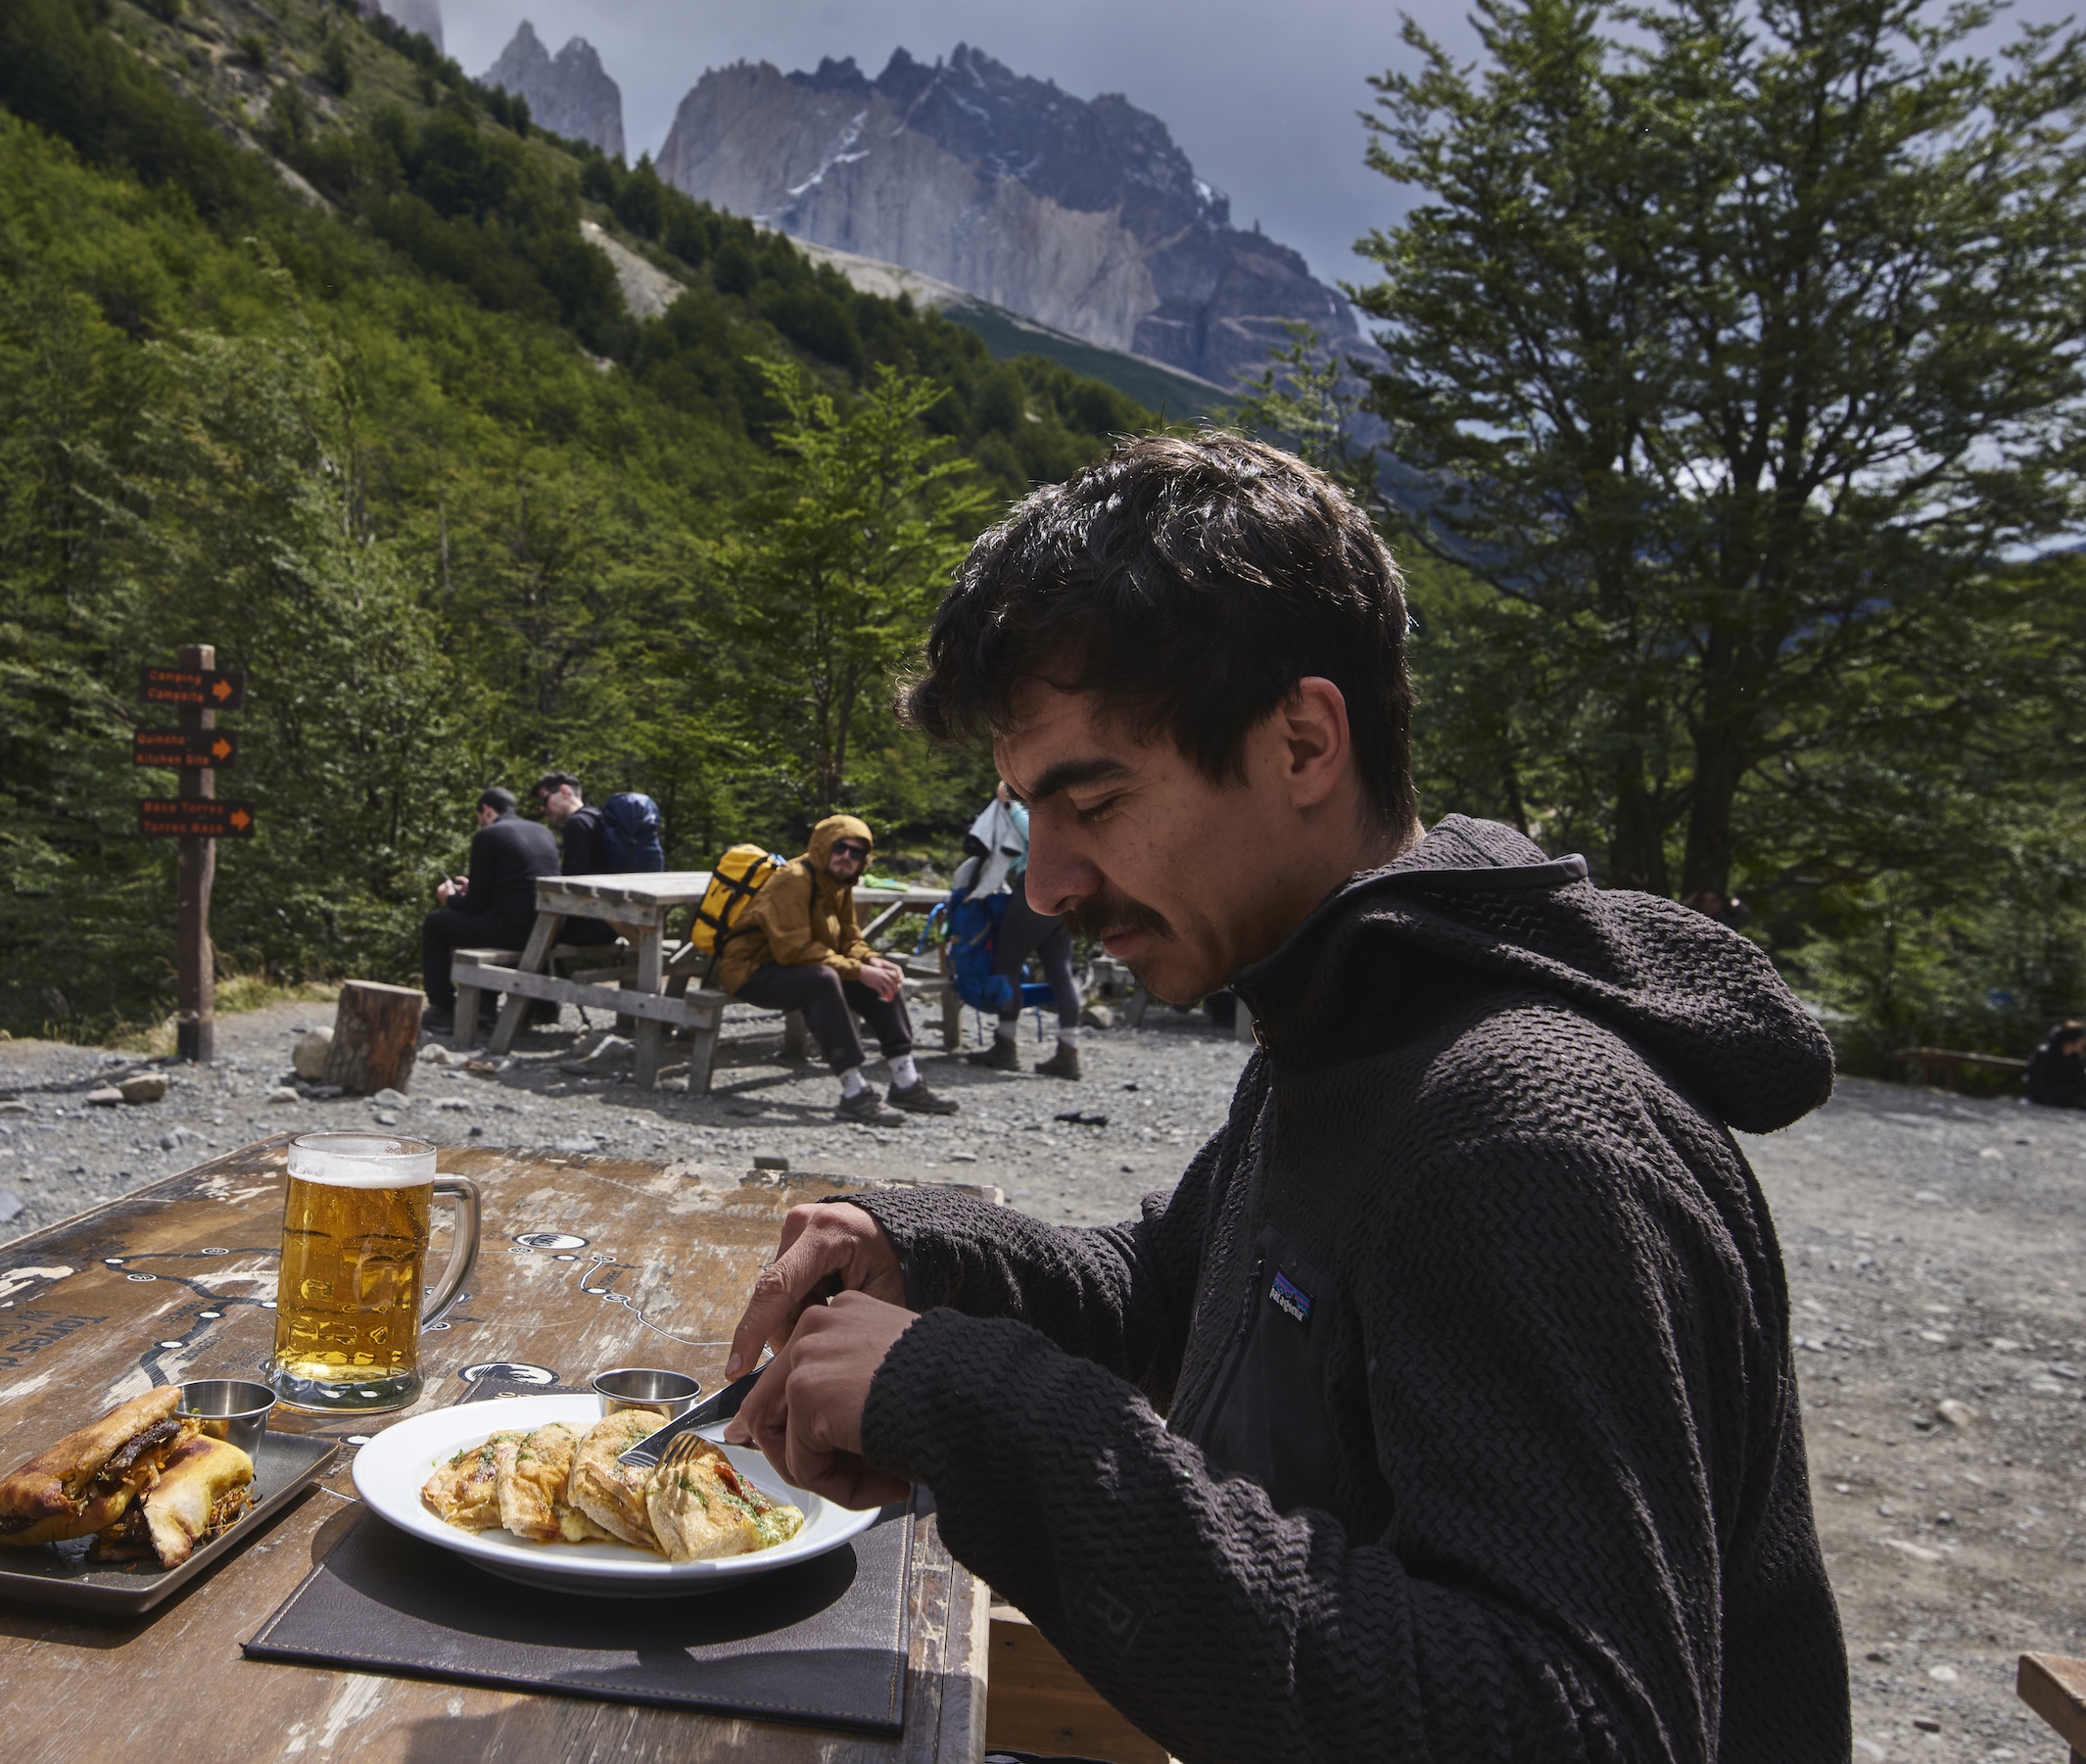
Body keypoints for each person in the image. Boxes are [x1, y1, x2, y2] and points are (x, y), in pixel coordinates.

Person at [721, 435, 1847, 1761]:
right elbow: (1177, 1288)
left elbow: (1571, 1720)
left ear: (1303, 739)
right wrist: (926, 1249)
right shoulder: (1360, 1016)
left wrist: (986, 1408)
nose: (1049, 886)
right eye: (1034, 817)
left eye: (1095, 800)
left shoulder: (1524, 1135)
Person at [717, 815, 959, 1125]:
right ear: (822, 847)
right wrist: (858, 971)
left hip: (795, 966)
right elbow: (795, 949)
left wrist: (871, 961)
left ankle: (905, 1081)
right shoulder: (794, 879)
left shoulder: (840, 884)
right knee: (823, 980)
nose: (847, 857)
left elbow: (850, 939)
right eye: (840, 847)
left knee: (880, 977)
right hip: (752, 971)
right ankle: (854, 1093)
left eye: (856, 852)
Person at [955, 781, 1084, 1078]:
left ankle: (1005, 1046)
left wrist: (1009, 804)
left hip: (1035, 890)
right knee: (1060, 970)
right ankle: (1068, 1052)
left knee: (1006, 965)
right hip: (1069, 895)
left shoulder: (1042, 814)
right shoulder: (1074, 813)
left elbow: (1036, 835)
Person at [417, 787, 561, 1033]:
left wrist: (449, 898)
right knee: (489, 922)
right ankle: (542, 1005)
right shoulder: (542, 831)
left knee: (436, 924)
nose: (479, 824)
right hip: (550, 928)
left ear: (485, 810)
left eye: (478, 819)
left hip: (514, 931)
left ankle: (443, 1009)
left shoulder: (488, 835)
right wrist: (473, 890)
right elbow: (517, 887)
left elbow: (474, 905)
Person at [534, 771, 618, 948]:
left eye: (544, 800)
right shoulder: (597, 817)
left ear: (564, 791)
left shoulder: (576, 824)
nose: (542, 808)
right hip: (616, 921)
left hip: (591, 926)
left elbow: (574, 881)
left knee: (528, 933)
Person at [2023, 1020, 2086, 1109]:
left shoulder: (2077, 1060)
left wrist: (2074, 1107)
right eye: (2082, 1041)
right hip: (2041, 1101)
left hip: (2066, 1103)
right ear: (2071, 1040)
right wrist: (2050, 1105)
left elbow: (2082, 1086)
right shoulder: (2043, 1054)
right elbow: (2036, 1082)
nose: (2085, 1044)